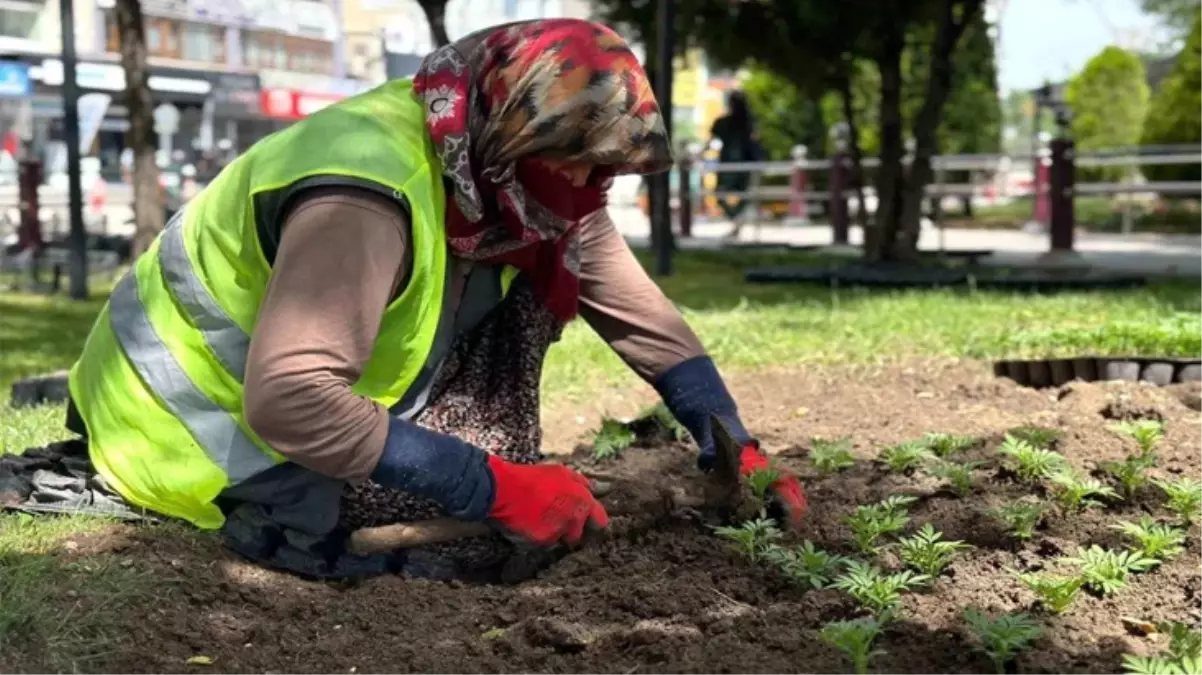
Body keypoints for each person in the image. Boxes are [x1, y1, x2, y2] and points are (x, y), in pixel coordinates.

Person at [50, 19, 806, 580]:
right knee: (456, 546)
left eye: (606, 171)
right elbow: (288, 399)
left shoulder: (500, 171)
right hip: (182, 427)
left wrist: (731, 439)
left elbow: (643, 316)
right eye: (580, 167)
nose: (591, 189)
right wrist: (492, 486)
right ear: (514, 135)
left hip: (270, 395)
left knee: (544, 273)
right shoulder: (366, 191)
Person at [709, 90, 764, 239]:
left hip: (727, 163)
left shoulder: (723, 123)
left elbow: (712, 139)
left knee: (720, 193)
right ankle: (738, 218)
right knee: (746, 194)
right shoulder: (751, 123)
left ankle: (735, 218)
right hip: (747, 163)